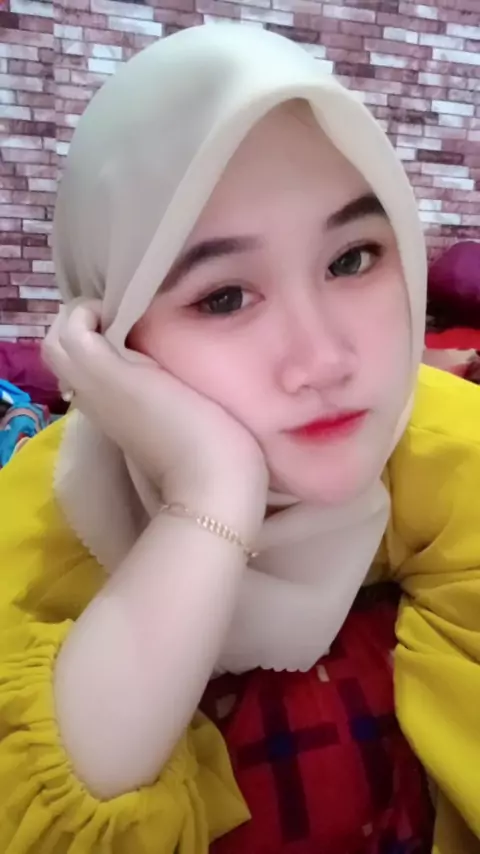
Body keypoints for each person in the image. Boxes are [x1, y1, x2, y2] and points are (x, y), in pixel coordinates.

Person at [0, 23, 478, 854]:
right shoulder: (38, 529)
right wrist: (208, 491)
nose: (324, 359)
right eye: (223, 298)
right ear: (114, 332)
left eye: (353, 259)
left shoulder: (448, 442)